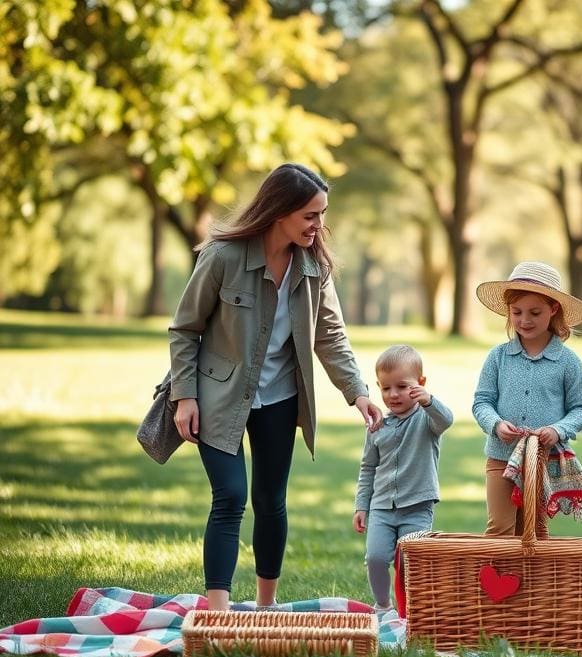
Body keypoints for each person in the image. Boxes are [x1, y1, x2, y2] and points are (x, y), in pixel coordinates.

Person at [169, 163, 383, 612]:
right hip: (219, 398)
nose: (318, 225)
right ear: (279, 211)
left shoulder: (314, 266)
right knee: (230, 496)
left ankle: (266, 607)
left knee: (270, 502)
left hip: (281, 398)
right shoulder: (223, 256)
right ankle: (220, 613)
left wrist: (358, 392)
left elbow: (331, 334)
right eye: (310, 215)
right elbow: (186, 329)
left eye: (322, 214)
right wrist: (184, 396)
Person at [473, 261, 582, 536]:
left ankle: (532, 580)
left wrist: (557, 429)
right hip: (501, 459)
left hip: (542, 461)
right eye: (517, 312)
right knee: (500, 528)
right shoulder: (498, 357)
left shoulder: (568, 362)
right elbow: (482, 402)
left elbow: (580, 408)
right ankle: (495, 579)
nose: (524, 320)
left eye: (535, 312)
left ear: (553, 309)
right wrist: (496, 424)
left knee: (534, 531)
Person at [352, 344, 454, 615]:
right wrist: (361, 506)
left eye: (402, 386)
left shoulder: (427, 419)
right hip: (382, 507)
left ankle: (410, 611)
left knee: (409, 562)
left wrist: (428, 400)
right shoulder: (377, 426)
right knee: (375, 558)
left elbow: (447, 420)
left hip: (417, 506)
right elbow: (368, 468)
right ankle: (383, 605)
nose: (393, 394)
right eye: (386, 388)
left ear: (420, 384)